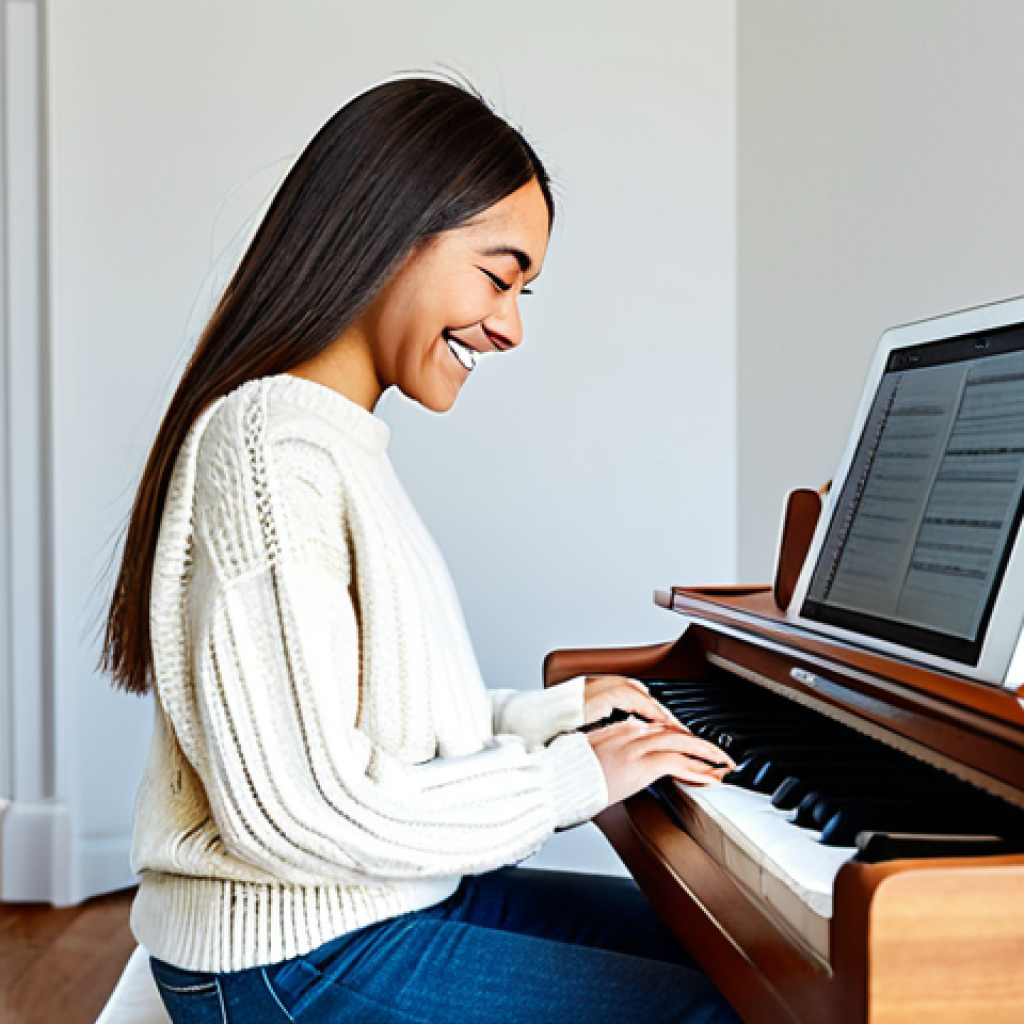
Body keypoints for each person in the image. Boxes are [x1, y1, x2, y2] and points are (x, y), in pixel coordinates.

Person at [100, 77, 741, 1024]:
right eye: (499, 275)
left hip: (377, 901)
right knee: (720, 1008)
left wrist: (550, 717)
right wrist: (573, 777)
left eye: (524, 290)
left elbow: (366, 725)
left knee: (737, 962)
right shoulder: (271, 450)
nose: (512, 326)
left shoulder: (329, 441)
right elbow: (302, 809)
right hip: (286, 955)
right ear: (390, 234)